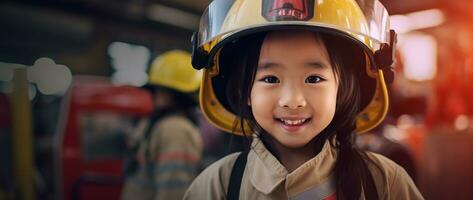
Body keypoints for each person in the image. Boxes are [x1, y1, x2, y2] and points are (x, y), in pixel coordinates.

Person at [184, 0, 423, 199]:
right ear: (245, 91)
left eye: (313, 78)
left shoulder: (384, 182)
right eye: (270, 79)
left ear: (342, 89)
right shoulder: (217, 186)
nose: (292, 100)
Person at [121, 50, 203, 200]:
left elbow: (173, 190)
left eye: (161, 91)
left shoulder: (166, 127)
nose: (156, 96)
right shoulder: (171, 128)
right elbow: (173, 191)